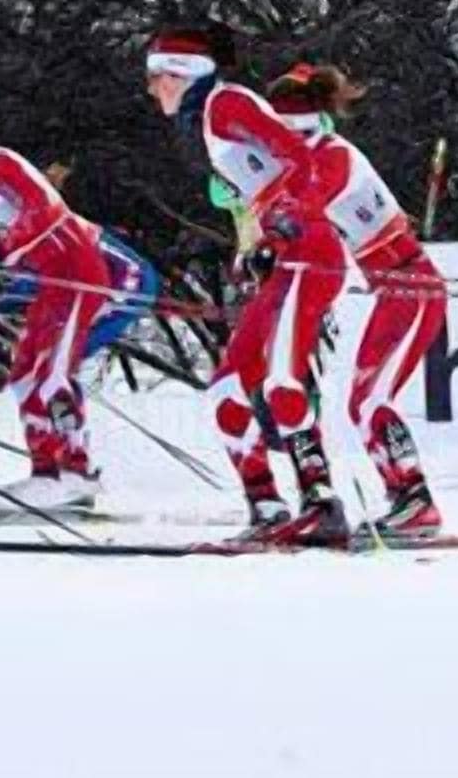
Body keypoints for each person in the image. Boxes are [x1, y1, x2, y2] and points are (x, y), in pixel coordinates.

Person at [150, 27, 355, 545]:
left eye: (158, 78)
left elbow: (301, 158)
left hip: (311, 251)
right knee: (226, 390)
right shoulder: (209, 121)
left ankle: (322, 501)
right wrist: (258, 243)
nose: (153, 91)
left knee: (282, 382)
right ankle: (265, 505)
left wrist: (283, 222)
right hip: (284, 254)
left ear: (183, 74)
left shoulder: (226, 104)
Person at [270, 63, 449, 536]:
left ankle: (416, 500)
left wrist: (277, 232)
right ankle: (404, 497)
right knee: (357, 401)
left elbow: (303, 210)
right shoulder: (312, 157)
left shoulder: (330, 156)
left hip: (411, 287)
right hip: (390, 290)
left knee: (370, 400)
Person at [0, 93, 118, 512]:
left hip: (76, 273)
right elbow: (8, 240)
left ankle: (77, 472)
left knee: (52, 374)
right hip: (52, 279)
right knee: (24, 376)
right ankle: (46, 474)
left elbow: (40, 210)